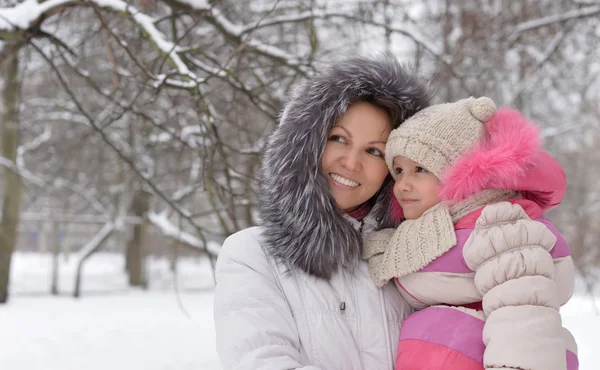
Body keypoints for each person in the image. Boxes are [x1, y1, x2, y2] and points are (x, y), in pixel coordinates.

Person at [213, 53, 432, 370]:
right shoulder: (251, 254)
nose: (351, 162)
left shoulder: (414, 257)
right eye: (339, 139)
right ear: (306, 144)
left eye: (373, 151)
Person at [364, 97, 578, 370]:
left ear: (457, 171)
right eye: (398, 171)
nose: (403, 184)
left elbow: (524, 309)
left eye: (420, 169)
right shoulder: (438, 228)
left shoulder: (497, 223)